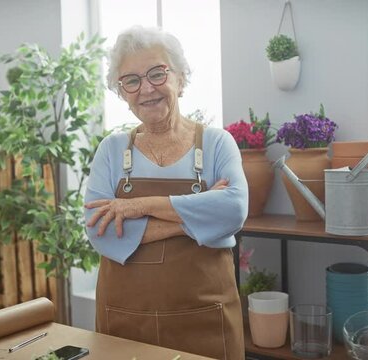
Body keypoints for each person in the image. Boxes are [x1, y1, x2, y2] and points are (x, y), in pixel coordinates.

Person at [84, 25, 248, 360]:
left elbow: (233, 210)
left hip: (207, 322)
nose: (146, 89)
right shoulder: (111, 150)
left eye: (157, 73)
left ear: (180, 79)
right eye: (131, 80)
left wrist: (139, 206)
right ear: (123, 92)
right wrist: (199, 217)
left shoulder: (217, 143)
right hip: (125, 324)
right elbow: (100, 231)